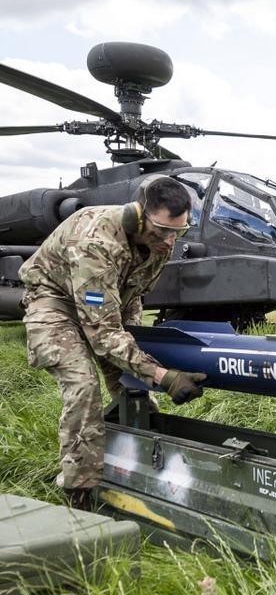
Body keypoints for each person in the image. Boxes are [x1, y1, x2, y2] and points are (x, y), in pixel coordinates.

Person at [19, 175, 207, 506]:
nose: (168, 241)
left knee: (133, 385)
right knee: (83, 386)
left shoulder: (161, 241)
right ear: (137, 216)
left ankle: (143, 468)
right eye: (162, 230)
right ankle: (80, 492)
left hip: (105, 307)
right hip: (54, 303)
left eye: (178, 232)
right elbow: (102, 332)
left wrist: (139, 356)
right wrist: (163, 376)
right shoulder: (95, 242)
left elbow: (133, 294)